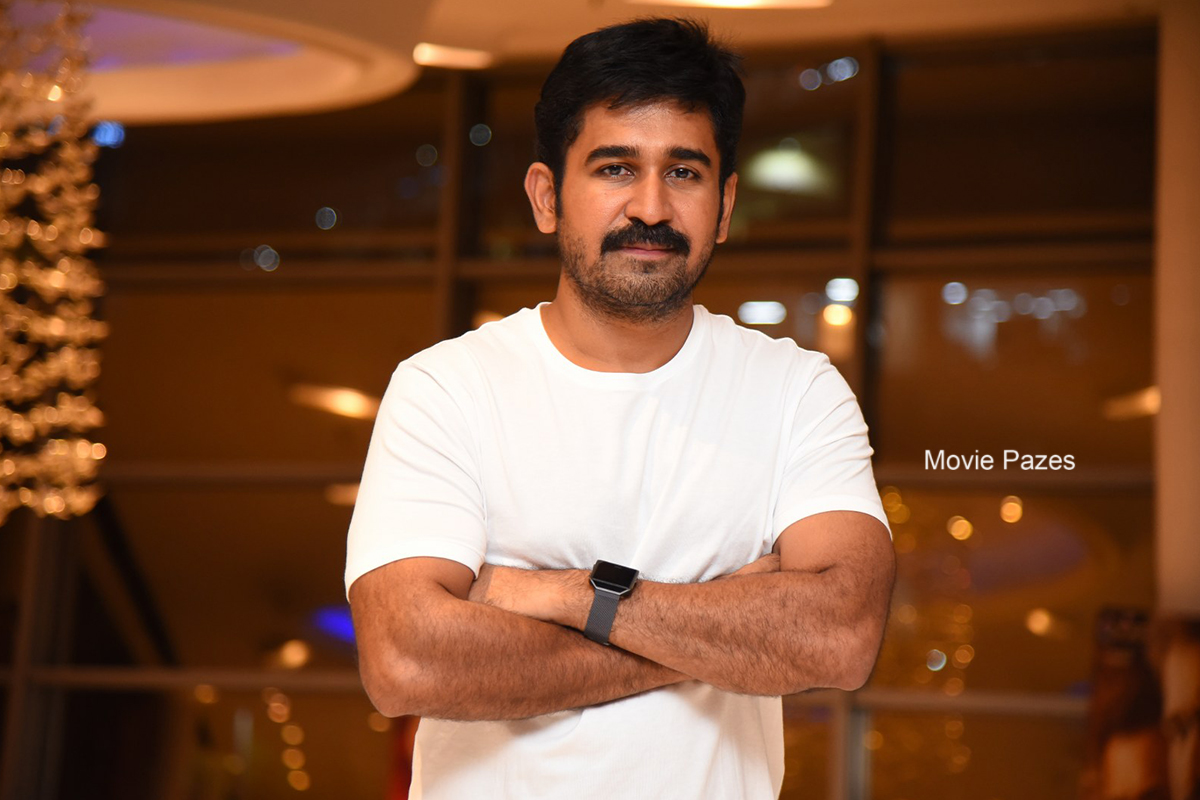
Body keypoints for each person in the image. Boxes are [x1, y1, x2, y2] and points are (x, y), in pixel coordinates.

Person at [346, 17, 895, 799]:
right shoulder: (447, 388)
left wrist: (565, 596)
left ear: (725, 205)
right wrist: (718, 634)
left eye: (685, 172)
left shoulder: (795, 391)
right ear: (547, 197)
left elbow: (839, 637)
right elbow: (406, 662)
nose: (651, 208)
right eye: (614, 168)